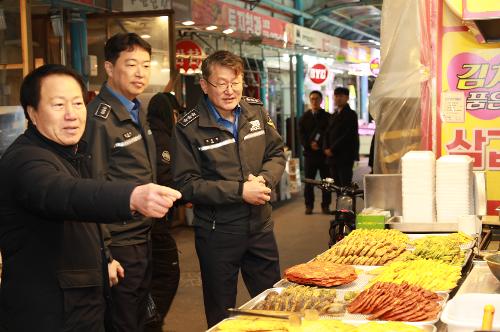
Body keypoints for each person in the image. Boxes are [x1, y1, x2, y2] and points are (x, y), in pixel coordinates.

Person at [0, 64, 181, 332]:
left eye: (77, 103)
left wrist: (104, 257)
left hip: (82, 302)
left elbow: (84, 217)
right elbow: (64, 194)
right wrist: (131, 196)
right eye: (58, 105)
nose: (72, 115)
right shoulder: (26, 160)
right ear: (32, 113)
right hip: (48, 313)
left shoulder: (73, 151)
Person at [170, 50, 286, 328]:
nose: (229, 90)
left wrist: (265, 181)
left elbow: (276, 153)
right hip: (217, 234)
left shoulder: (255, 111)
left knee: (273, 305)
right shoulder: (188, 127)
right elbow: (186, 184)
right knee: (222, 312)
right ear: (204, 84)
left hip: (260, 227)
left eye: (235, 82)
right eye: (221, 83)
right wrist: (239, 191)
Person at [83, 32, 158, 332]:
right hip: (120, 244)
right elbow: (92, 189)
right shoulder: (99, 120)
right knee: (123, 322)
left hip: (143, 237)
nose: (140, 73)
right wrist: (106, 253)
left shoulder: (137, 108)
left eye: (146, 65)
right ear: (110, 68)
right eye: (131, 64)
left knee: (140, 319)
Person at [144, 74, 184, 332]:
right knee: (167, 275)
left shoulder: (147, 132)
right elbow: (166, 179)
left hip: (146, 224)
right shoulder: (163, 140)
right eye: (176, 113)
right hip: (153, 224)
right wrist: (187, 194)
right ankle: (151, 323)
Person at [298, 90, 332, 215]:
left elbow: (329, 134)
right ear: (309, 100)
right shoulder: (304, 118)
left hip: (323, 154)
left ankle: (326, 205)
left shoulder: (328, 117)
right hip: (310, 155)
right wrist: (309, 144)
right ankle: (309, 205)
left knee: (326, 182)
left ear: (321, 100)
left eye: (317, 99)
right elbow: (301, 136)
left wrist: (321, 145)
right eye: (312, 99)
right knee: (309, 182)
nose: (314, 101)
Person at [324, 87, 360, 187]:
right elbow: (327, 132)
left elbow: (348, 135)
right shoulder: (334, 115)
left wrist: (332, 148)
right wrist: (325, 148)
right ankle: (339, 202)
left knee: (345, 184)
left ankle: (345, 203)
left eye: (341, 96)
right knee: (336, 185)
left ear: (347, 98)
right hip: (332, 156)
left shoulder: (351, 115)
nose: (338, 98)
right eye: (336, 96)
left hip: (344, 155)